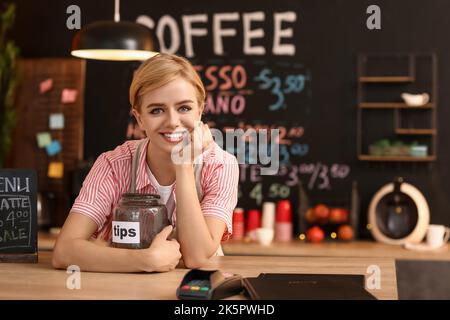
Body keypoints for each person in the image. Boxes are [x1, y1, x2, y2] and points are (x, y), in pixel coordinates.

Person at [52, 53, 239, 272]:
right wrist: (146, 261)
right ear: (140, 118)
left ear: (200, 110)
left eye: (184, 108)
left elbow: (196, 258)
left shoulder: (221, 165)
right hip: (122, 289)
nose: (172, 122)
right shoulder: (113, 164)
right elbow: (63, 252)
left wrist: (183, 166)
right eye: (156, 110)